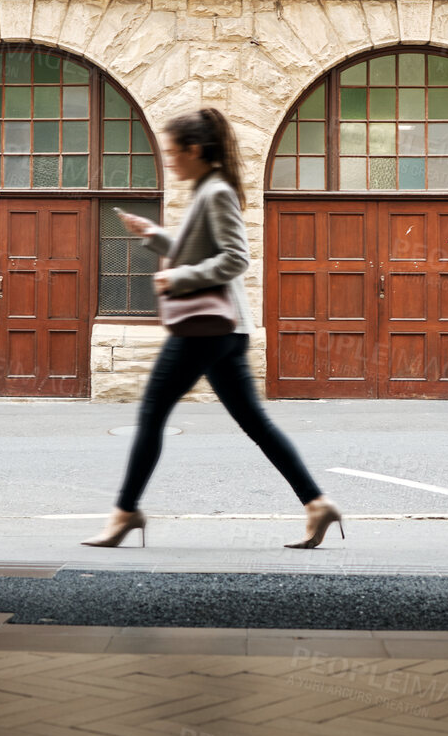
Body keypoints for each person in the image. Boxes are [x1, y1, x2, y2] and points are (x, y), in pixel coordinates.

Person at [81, 106, 344, 551]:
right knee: (255, 424)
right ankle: (317, 504)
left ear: (195, 149)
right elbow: (196, 250)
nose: (169, 160)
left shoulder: (216, 191)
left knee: (151, 415)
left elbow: (235, 258)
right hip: (225, 331)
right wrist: (153, 234)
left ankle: (125, 512)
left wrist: (177, 278)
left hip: (204, 330)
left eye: (172, 152)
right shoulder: (208, 188)